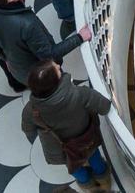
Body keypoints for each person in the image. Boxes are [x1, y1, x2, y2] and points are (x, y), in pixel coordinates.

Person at [21, 60, 112, 191]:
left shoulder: (31, 110)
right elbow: (104, 107)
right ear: (54, 81)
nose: (58, 66)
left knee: (74, 167)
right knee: (94, 157)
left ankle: (89, 186)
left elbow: (28, 130)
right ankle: (104, 183)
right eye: (56, 69)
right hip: (85, 140)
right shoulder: (80, 94)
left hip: (60, 149)